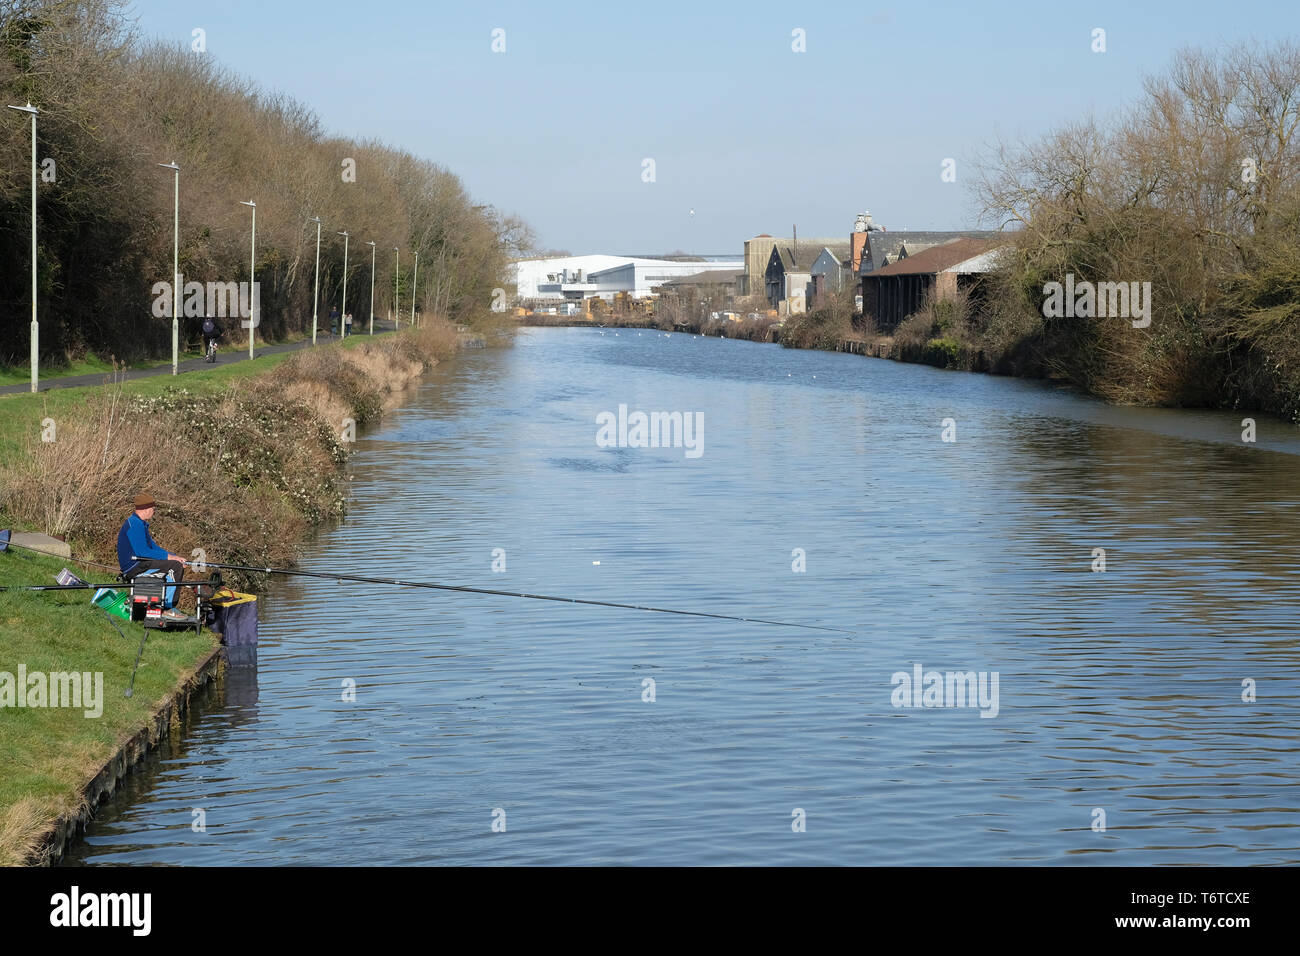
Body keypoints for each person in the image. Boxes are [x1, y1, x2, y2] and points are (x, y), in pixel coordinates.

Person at [116, 493, 187, 584]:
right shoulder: (135, 524)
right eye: (153, 509)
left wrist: (174, 556)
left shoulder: (140, 523)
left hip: (141, 564)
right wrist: (171, 558)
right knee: (175, 566)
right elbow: (143, 552)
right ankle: (170, 598)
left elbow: (153, 548)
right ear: (146, 509)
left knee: (175, 562)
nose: (154, 512)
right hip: (133, 567)